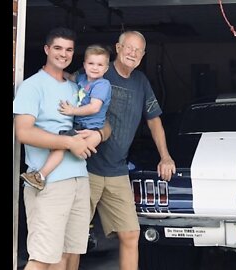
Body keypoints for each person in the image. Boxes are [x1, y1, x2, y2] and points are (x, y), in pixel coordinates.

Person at [80, 30, 177, 270]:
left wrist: (165, 156)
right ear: (118, 48)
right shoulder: (99, 70)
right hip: (86, 168)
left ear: (143, 56)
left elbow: (154, 121)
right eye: (128, 47)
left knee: (131, 234)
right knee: (74, 237)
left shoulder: (141, 82)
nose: (132, 53)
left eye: (138, 50)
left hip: (117, 172)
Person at [13, 27, 103, 270]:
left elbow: (103, 120)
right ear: (46, 49)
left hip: (79, 179)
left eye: (69, 50)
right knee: (42, 258)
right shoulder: (32, 86)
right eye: (58, 48)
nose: (63, 54)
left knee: (71, 255)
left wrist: (98, 134)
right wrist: (69, 142)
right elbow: (23, 132)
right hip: (49, 183)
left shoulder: (75, 89)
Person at [20, 44, 112, 191]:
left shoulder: (102, 84)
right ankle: (41, 175)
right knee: (62, 145)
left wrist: (72, 111)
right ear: (84, 65)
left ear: (106, 68)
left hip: (89, 126)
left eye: (100, 65)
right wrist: (45, 72)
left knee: (60, 146)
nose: (95, 67)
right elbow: (70, 76)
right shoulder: (83, 80)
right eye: (91, 63)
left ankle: (40, 176)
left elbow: (94, 107)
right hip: (80, 125)